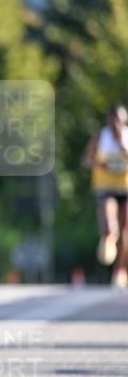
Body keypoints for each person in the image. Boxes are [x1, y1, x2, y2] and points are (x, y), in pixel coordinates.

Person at [82, 103, 128, 288]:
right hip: (105, 186)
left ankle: (119, 270)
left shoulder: (126, 136)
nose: (116, 122)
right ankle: (108, 236)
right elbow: (86, 159)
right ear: (108, 119)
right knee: (111, 224)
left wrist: (121, 144)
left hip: (125, 187)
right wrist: (102, 164)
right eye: (113, 118)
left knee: (125, 232)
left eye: (120, 118)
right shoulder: (101, 136)